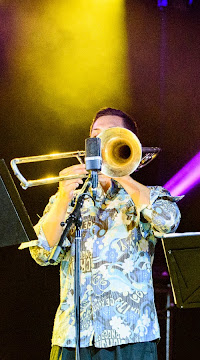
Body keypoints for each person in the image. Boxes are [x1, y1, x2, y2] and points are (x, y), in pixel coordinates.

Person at [28, 108, 182, 359]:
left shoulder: (147, 194)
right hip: (72, 336)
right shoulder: (70, 197)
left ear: (127, 144)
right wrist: (64, 195)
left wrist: (121, 173)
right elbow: (42, 254)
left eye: (110, 136)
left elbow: (168, 222)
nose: (100, 143)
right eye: (95, 136)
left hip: (131, 335)